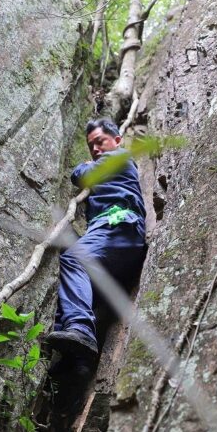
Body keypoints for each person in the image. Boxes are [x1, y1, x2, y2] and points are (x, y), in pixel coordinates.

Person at [45, 118, 147, 361]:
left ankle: (80, 329)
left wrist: (84, 166)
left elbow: (83, 174)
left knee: (73, 259)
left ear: (118, 140)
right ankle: (73, 359)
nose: (96, 150)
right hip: (118, 238)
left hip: (119, 224)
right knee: (80, 292)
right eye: (92, 147)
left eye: (100, 142)